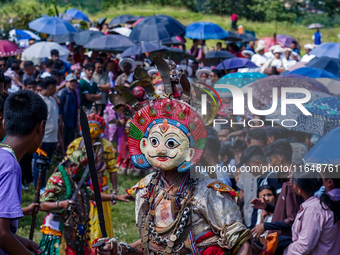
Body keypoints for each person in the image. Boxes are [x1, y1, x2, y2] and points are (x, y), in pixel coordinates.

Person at [94, 59, 251, 255]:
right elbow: (149, 244)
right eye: (154, 142)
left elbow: (242, 242)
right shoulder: (145, 189)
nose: (161, 150)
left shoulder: (206, 191)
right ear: (143, 146)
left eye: (170, 143)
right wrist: (118, 249)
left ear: (190, 150)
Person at [38, 150, 134, 255]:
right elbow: (41, 205)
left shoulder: (77, 181)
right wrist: (60, 204)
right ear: (71, 166)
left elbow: (92, 195)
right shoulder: (57, 179)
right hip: (58, 232)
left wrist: (116, 197)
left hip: (76, 230)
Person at [0, 89, 47, 255]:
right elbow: (2, 234)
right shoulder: (10, 167)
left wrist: (19, 239)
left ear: (4, 123)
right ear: (40, 128)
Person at [66, 113, 119, 246]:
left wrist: (115, 190)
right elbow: (68, 167)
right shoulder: (75, 145)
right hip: (80, 188)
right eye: (89, 127)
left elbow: (112, 169)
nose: (91, 131)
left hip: (100, 187)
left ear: (101, 130)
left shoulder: (107, 146)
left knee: (99, 219)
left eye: (95, 128)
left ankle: (99, 246)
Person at [251, 139, 303, 239]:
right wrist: (267, 206)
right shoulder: (286, 181)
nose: (270, 164)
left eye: (271, 160)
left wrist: (266, 226)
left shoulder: (294, 184)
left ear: (279, 159)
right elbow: (285, 213)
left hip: (290, 239)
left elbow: (293, 220)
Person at [283, 171, 340, 254]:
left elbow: (303, 247)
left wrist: (282, 250)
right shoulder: (320, 204)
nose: (291, 185)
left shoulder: (313, 209)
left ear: (299, 189)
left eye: (293, 182)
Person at [237, 146, 280, 229]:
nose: (248, 171)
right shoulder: (260, 179)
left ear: (257, 163)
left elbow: (280, 207)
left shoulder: (273, 178)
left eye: (248, 167)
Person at [34, 77, 59, 188]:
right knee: (39, 165)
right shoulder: (38, 100)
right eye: (55, 86)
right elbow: (35, 121)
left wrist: (59, 138)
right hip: (42, 139)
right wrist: (37, 139)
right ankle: (38, 188)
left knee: (47, 165)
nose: (56, 89)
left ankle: (44, 187)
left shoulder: (53, 100)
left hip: (52, 138)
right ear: (50, 86)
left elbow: (56, 120)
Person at [59, 73, 79, 152]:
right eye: (70, 82)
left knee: (70, 140)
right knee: (64, 140)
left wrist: (76, 121)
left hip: (72, 121)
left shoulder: (74, 93)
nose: (72, 84)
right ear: (66, 82)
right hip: (65, 121)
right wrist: (61, 121)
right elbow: (60, 109)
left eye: (74, 82)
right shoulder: (63, 93)